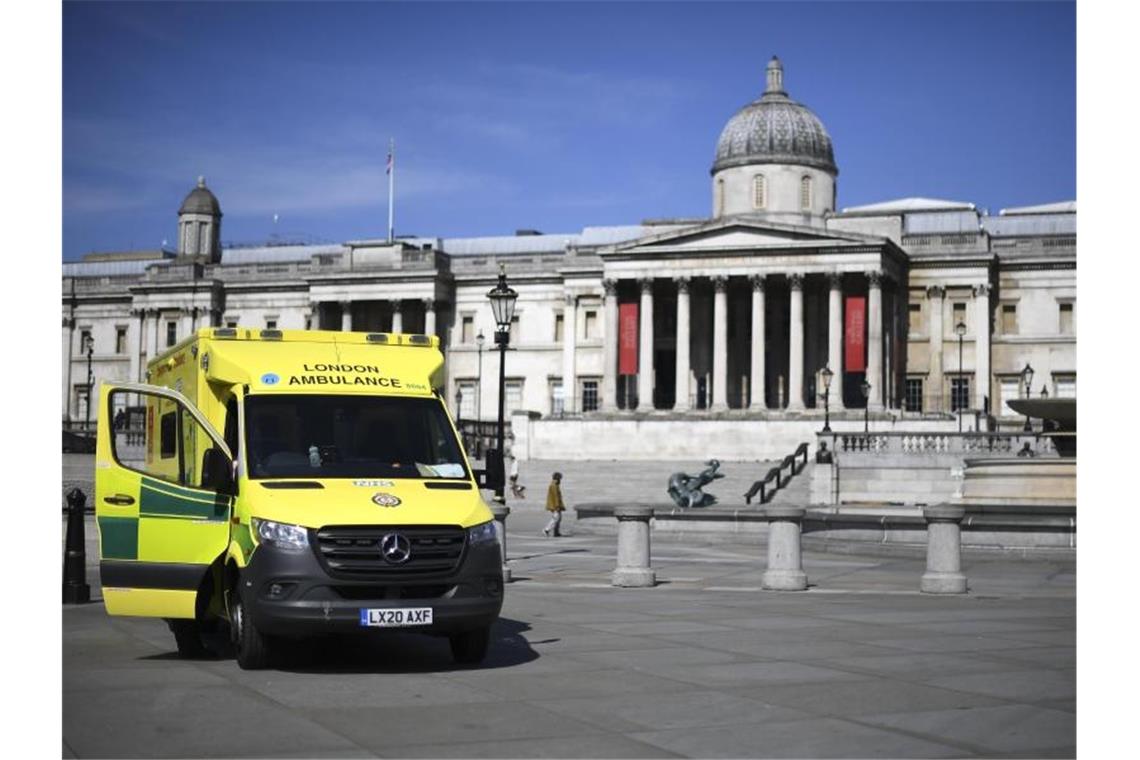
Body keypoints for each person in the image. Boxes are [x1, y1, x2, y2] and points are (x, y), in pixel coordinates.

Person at [544, 471, 565, 537]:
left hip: (555, 505)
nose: (560, 480)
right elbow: (555, 497)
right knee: (556, 518)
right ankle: (547, 529)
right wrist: (557, 506)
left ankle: (556, 532)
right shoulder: (554, 485)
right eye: (560, 479)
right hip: (555, 505)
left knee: (558, 518)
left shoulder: (555, 485)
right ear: (557, 478)